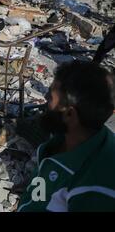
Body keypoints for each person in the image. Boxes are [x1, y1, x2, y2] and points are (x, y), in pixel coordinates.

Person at [18, 61, 115, 212]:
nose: (45, 98)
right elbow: (40, 196)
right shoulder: (62, 141)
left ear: (69, 114)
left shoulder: (95, 190)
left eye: (50, 96)